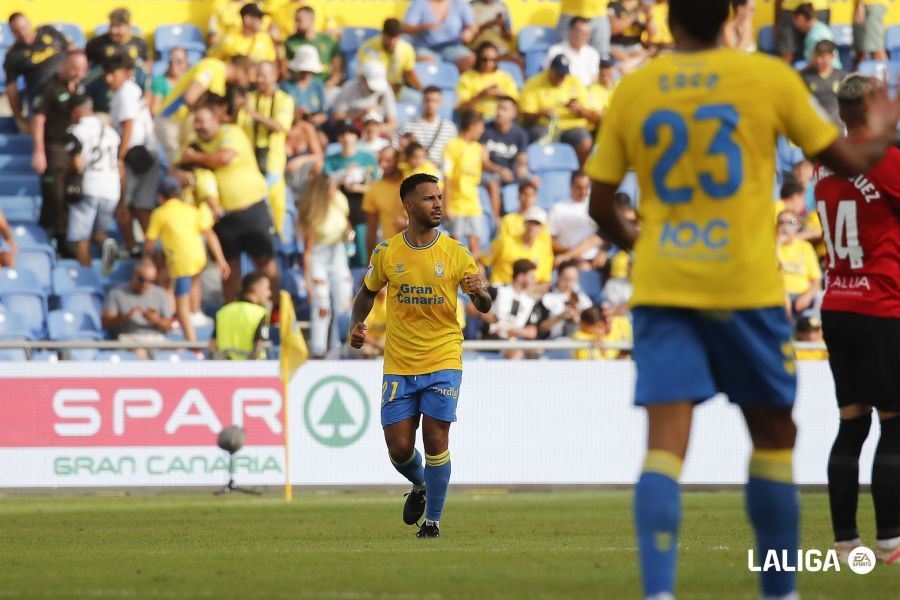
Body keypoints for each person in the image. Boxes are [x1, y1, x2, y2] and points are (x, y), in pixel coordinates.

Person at [585, 0, 900, 597]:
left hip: (663, 284)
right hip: (747, 286)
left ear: (671, 22)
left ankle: (659, 592)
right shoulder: (766, 77)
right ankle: (778, 589)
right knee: (774, 437)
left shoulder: (635, 87)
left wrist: (644, 246)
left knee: (664, 445)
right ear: (734, 18)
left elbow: (601, 207)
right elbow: (849, 158)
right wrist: (881, 124)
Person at [349, 172, 492, 538]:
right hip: (399, 362)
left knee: (435, 439)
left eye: (440, 198)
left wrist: (480, 294)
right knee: (398, 448)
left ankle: (433, 523)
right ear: (409, 206)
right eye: (429, 199)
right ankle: (421, 485)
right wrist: (356, 324)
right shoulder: (387, 252)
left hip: (443, 357)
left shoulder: (457, 253)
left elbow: (484, 304)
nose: (438, 204)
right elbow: (367, 292)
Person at [815, 74, 900, 565]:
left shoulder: (825, 167)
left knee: (852, 424)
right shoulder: (886, 162)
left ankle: (846, 542)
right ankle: (890, 542)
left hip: (837, 304)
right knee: (895, 422)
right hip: (881, 307)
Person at [176, 106, 279, 303]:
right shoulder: (193, 144)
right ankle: (229, 312)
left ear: (215, 121)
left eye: (202, 121)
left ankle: (275, 310)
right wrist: (184, 173)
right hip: (223, 217)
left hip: (251, 209)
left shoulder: (231, 132)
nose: (198, 126)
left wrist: (195, 158)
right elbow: (175, 168)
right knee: (229, 269)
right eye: (195, 122)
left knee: (265, 263)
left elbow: (224, 158)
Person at [144, 178, 230, 344]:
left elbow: (149, 242)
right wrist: (221, 260)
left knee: (181, 303)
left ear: (161, 197)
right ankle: (195, 312)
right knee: (193, 280)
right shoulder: (191, 210)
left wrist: (146, 259)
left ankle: (191, 341)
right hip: (198, 256)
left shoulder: (160, 213)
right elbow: (210, 235)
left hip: (181, 260)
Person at [31, 51, 88, 250]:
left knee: (70, 195)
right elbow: (39, 119)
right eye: (74, 68)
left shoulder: (76, 88)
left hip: (71, 147)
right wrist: (39, 151)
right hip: (53, 147)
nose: (78, 73)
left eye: (82, 70)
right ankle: (50, 237)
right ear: (64, 65)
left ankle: (62, 238)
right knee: (54, 195)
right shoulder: (49, 87)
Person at [105, 54, 161, 256]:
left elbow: (128, 124)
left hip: (134, 155)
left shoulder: (125, 92)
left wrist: (120, 156)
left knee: (123, 205)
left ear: (128, 73)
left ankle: (133, 248)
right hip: (146, 153)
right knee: (142, 206)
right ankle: (149, 252)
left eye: (113, 73)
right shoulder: (131, 90)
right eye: (107, 74)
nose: (108, 79)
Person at [297, 174, 354, 358]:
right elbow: (307, 250)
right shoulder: (314, 212)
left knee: (343, 301)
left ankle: (339, 347)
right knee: (321, 302)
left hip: (337, 251)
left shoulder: (339, 200)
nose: (333, 190)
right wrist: (307, 280)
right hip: (318, 255)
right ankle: (318, 349)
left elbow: (346, 222)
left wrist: (349, 236)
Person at [64, 95, 121, 267]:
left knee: (81, 239)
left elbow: (77, 163)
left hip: (89, 186)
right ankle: (106, 243)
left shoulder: (77, 131)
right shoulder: (111, 132)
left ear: (77, 110)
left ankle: (87, 278)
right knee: (98, 233)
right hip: (112, 189)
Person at [240, 61, 294, 238]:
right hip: (250, 164)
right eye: (258, 76)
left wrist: (253, 114)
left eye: (264, 76)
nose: (260, 80)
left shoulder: (284, 100)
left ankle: (281, 244)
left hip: (273, 164)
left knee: (277, 208)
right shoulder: (249, 98)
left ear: (275, 76)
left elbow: (279, 126)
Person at [520, 55, 595, 164]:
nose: (561, 78)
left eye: (564, 75)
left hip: (572, 126)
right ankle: (541, 172)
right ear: (550, 70)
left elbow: (591, 113)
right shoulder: (534, 83)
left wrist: (580, 110)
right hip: (545, 125)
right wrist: (541, 113)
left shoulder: (575, 82)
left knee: (585, 141)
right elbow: (526, 118)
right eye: (558, 74)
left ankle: (580, 175)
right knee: (539, 136)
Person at [4, 13, 70, 134]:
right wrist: (19, 119)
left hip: (68, 89)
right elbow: (11, 90)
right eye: (17, 31)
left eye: (24, 28)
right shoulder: (14, 55)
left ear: (29, 23)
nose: (23, 33)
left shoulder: (49, 32)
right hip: (42, 100)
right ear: (12, 32)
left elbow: (72, 50)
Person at [324, 120, 379, 262]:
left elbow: (375, 185)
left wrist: (358, 187)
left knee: (362, 248)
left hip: (361, 207)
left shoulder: (367, 158)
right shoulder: (331, 160)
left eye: (350, 133)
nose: (347, 138)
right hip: (338, 209)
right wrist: (344, 176)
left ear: (356, 136)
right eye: (343, 134)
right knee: (342, 252)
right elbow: (326, 185)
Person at [101, 258, 174, 359]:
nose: (145, 284)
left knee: (179, 352)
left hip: (155, 338)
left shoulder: (160, 293)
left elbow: (169, 325)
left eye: (150, 281)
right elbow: (106, 322)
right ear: (133, 274)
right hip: (128, 338)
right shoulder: (116, 293)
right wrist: (126, 317)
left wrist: (155, 320)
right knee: (140, 353)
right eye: (142, 279)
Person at [443, 109, 490, 257]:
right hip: (456, 203)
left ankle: (474, 278)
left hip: (473, 203)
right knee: (455, 249)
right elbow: (447, 178)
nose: (482, 130)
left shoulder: (477, 148)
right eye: (481, 126)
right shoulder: (453, 146)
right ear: (472, 125)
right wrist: (446, 205)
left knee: (475, 247)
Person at [84, 8, 149, 114]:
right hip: (103, 100)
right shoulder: (97, 44)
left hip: (131, 98)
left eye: (118, 26)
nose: (113, 30)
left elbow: (146, 70)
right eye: (111, 26)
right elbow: (86, 69)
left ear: (128, 26)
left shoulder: (139, 44)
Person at [159, 55, 256, 122]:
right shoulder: (212, 68)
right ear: (241, 71)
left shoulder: (223, 83)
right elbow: (190, 97)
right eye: (248, 79)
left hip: (182, 125)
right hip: (171, 119)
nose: (246, 84)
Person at [480, 96, 530, 221]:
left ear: (514, 113)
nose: (499, 112)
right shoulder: (486, 130)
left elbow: (522, 158)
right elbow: (483, 161)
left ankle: (526, 220)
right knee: (493, 183)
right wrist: (500, 170)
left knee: (533, 182)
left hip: (510, 172)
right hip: (490, 171)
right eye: (498, 108)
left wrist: (522, 168)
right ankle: (494, 222)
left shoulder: (520, 134)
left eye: (504, 109)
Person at [478, 258, 539, 359]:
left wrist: (511, 330)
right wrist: (485, 315)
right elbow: (471, 307)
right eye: (532, 277)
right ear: (521, 277)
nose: (535, 281)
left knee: (533, 351)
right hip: (492, 341)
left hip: (514, 344)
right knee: (515, 354)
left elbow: (532, 332)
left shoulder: (530, 302)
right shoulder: (497, 290)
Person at [481, 206, 554, 286]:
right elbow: (481, 260)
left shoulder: (545, 251)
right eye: (530, 222)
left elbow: (545, 281)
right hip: (499, 288)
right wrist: (484, 284)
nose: (532, 227)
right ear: (524, 223)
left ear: (542, 228)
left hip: (528, 293)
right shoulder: (502, 241)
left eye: (537, 224)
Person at [357, 18, 423, 104]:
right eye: (389, 38)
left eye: (395, 38)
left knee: (419, 100)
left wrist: (422, 89)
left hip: (396, 90)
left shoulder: (406, 49)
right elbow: (364, 75)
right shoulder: (369, 48)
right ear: (383, 34)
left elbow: (409, 72)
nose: (391, 42)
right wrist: (386, 85)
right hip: (373, 90)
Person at [402, 0, 478, 72]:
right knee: (427, 64)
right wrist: (423, 27)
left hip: (452, 47)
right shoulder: (420, 3)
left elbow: (472, 27)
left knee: (470, 60)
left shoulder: (459, 3)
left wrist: (468, 32)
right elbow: (406, 28)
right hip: (425, 48)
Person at [210, 272, 272, 360]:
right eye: (267, 288)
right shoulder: (260, 313)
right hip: (252, 370)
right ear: (255, 288)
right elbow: (258, 348)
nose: (269, 293)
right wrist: (245, 368)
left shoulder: (223, 312)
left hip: (226, 369)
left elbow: (212, 346)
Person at [549, 171, 603, 268]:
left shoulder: (597, 205)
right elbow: (550, 239)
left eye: (586, 187)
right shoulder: (558, 208)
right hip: (570, 261)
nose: (583, 191)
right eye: (578, 187)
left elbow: (603, 236)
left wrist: (603, 252)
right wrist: (569, 252)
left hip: (596, 259)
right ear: (571, 185)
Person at [393, 86, 457, 168]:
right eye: (428, 100)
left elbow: (452, 155)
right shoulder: (408, 124)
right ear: (423, 101)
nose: (431, 104)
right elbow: (395, 149)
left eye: (435, 101)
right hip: (413, 173)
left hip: (438, 174)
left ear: (441, 103)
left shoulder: (449, 128)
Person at [331, 60, 398, 136]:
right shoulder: (349, 87)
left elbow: (392, 124)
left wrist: (372, 130)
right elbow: (336, 117)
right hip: (353, 132)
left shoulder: (386, 90)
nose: (373, 90)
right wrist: (360, 114)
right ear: (362, 78)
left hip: (378, 135)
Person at [284, 6, 342, 92]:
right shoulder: (290, 41)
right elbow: (285, 69)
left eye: (299, 20)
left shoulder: (328, 41)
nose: (296, 24)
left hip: (324, 86)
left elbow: (337, 71)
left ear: (311, 19)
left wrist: (329, 84)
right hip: (298, 87)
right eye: (295, 20)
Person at [777, 209, 822, 318]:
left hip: (803, 296)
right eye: (781, 222)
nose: (785, 226)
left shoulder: (805, 247)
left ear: (797, 226)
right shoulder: (771, 247)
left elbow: (816, 280)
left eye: (791, 222)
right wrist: (777, 245)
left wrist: (807, 295)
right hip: (779, 297)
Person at [455, 41, 519, 120]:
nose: (489, 63)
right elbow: (461, 108)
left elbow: (516, 105)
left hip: (501, 118)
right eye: (484, 60)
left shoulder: (505, 77)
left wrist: (503, 94)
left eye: (493, 60)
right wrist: (481, 95)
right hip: (477, 119)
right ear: (478, 59)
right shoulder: (467, 77)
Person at [533, 259, 593, 339]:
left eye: (572, 280)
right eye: (565, 279)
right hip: (554, 342)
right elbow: (541, 329)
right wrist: (560, 317)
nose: (568, 284)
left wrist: (578, 319)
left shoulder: (583, 299)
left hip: (578, 341)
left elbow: (592, 325)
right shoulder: (547, 298)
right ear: (558, 277)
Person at [364, 148, 407, 256]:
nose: (383, 165)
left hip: (418, 248)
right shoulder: (374, 189)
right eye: (380, 161)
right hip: (391, 251)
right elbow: (371, 230)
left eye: (388, 160)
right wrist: (370, 266)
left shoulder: (411, 182)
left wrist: (407, 223)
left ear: (398, 160)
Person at [150, 48, 189, 161]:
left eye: (178, 60)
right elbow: (154, 109)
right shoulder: (160, 81)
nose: (173, 63)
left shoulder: (190, 81)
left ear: (185, 62)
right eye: (171, 59)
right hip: (168, 123)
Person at [211, 3, 277, 63]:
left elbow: (272, 63)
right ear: (247, 19)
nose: (262, 21)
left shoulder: (265, 39)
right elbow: (212, 60)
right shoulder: (230, 41)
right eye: (259, 17)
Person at [280, 46, 327, 127]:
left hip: (314, 127)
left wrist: (316, 118)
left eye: (309, 71)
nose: (306, 73)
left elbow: (324, 114)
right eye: (303, 71)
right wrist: (296, 114)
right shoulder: (285, 86)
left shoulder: (317, 85)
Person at [546, 17, 601, 88]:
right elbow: (549, 75)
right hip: (563, 91)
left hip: (586, 92)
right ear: (571, 31)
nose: (584, 37)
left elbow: (594, 78)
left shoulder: (593, 53)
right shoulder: (556, 51)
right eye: (581, 33)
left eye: (587, 34)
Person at [801, 40, 846, 125]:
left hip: (836, 127)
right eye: (817, 55)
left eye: (823, 56)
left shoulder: (842, 77)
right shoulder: (805, 76)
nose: (819, 60)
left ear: (832, 56)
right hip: (814, 126)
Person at [468, 0, 518, 66]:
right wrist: (486, 26)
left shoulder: (502, 7)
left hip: (499, 48)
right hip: (477, 47)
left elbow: (509, 38)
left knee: (517, 61)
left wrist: (502, 26)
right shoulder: (470, 7)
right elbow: (467, 37)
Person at [792, 3, 840, 67]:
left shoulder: (815, 36)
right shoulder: (820, 28)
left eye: (795, 20)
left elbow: (822, 60)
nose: (794, 24)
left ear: (801, 18)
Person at [608, 0, 650, 71]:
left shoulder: (643, 6)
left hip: (636, 47)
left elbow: (652, 33)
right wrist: (634, 15)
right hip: (615, 46)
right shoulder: (613, 6)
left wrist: (649, 16)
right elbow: (614, 29)